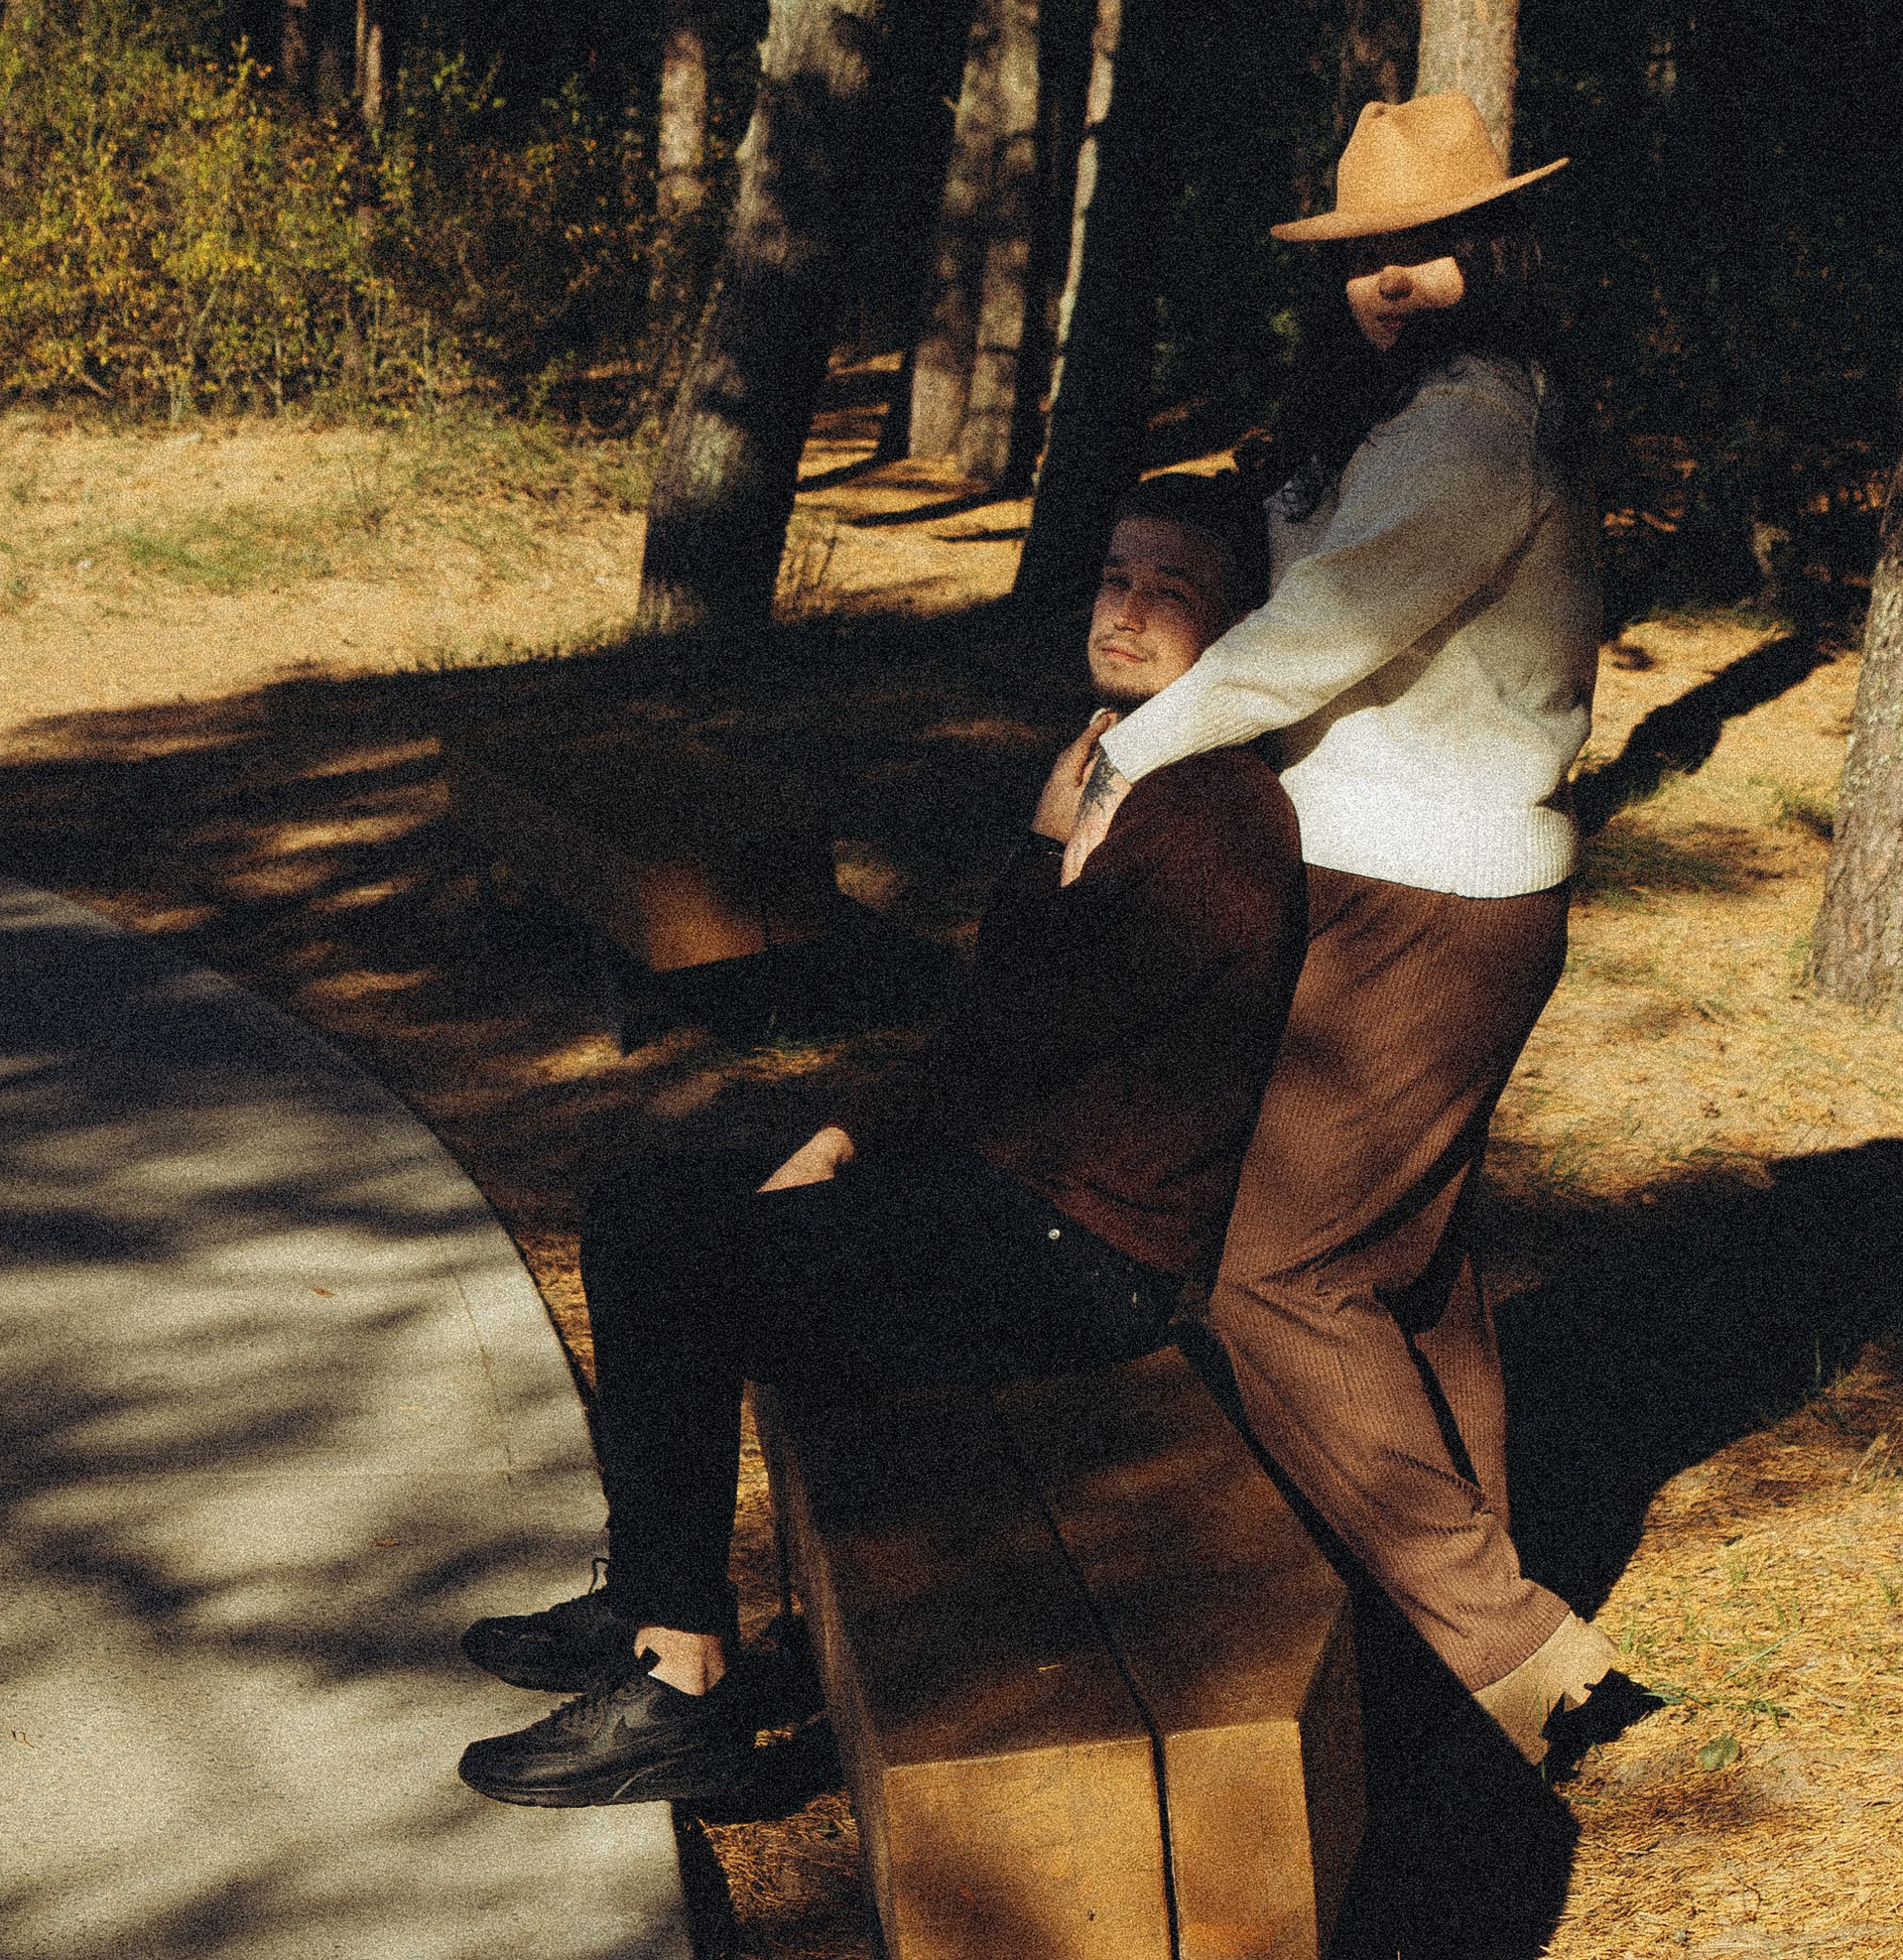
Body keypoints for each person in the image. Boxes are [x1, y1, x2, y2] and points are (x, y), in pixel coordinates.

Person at [456, 468, 1301, 1810]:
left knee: (678, 1257)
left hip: (1082, 1254)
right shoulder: (1130, 766)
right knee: (636, 1207)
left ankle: (681, 1682)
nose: (1128, 612)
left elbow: (1029, 1037)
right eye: (1117, 578)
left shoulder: (1213, 818)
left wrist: (858, 1121)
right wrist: (857, 1129)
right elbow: (1007, 1034)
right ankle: (651, 1605)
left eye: (1172, 592)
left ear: (1240, 632)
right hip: (1005, 1192)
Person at [1060, 88, 1612, 1770]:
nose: (1398, 279)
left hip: (1435, 892)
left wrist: (1124, 757)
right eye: (1373, 255)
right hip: (1390, 876)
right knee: (1400, 1267)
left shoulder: (1471, 427)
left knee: (1274, 1271)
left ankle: (1515, 1656)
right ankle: (1454, 1609)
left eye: (1433, 250)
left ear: (1494, 252)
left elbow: (1328, 631)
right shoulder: (1407, 413)